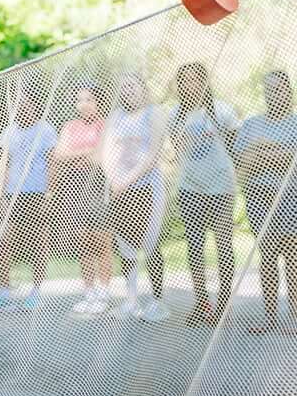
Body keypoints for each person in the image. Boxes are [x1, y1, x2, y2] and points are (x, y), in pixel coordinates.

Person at [169, 62, 239, 327]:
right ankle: (201, 303)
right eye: (183, 81)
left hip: (221, 189)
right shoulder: (174, 115)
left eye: (194, 79)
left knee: (223, 245)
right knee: (195, 246)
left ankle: (223, 304)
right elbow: (177, 153)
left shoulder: (222, 110)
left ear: (204, 82)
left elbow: (234, 146)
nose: (189, 85)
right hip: (190, 189)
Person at [101, 74, 169, 322]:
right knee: (125, 246)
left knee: (150, 244)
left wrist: (127, 180)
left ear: (143, 88)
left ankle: (157, 301)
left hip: (147, 188)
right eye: (123, 86)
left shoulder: (154, 113)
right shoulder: (115, 117)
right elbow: (106, 153)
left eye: (132, 85)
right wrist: (114, 179)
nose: (127, 89)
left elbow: (153, 154)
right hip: (119, 190)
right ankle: (131, 301)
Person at [0, 88, 57, 312]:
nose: (22, 109)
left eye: (26, 105)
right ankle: (4, 290)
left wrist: (49, 194)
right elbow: (4, 165)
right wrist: (1, 195)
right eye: (17, 106)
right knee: (4, 241)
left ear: (34, 107)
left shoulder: (45, 130)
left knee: (37, 242)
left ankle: (36, 292)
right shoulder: (8, 132)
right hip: (12, 195)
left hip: (37, 193)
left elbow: (52, 163)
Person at [235, 71, 297, 333]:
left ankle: (294, 321)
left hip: (291, 200)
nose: (275, 93)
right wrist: (279, 152)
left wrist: (262, 148)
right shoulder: (250, 125)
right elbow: (242, 166)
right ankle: (269, 319)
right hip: (259, 200)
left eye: (280, 89)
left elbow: (291, 163)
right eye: (270, 89)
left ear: (290, 92)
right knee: (268, 258)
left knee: (293, 259)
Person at [51, 83, 112, 315]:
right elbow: (59, 155)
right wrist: (89, 152)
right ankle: (89, 293)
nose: (84, 104)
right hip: (74, 187)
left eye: (89, 99)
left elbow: (103, 157)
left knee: (101, 239)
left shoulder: (105, 125)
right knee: (83, 239)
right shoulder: (70, 126)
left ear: (98, 102)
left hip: (97, 184)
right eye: (80, 100)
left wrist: (81, 155)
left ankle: (104, 293)